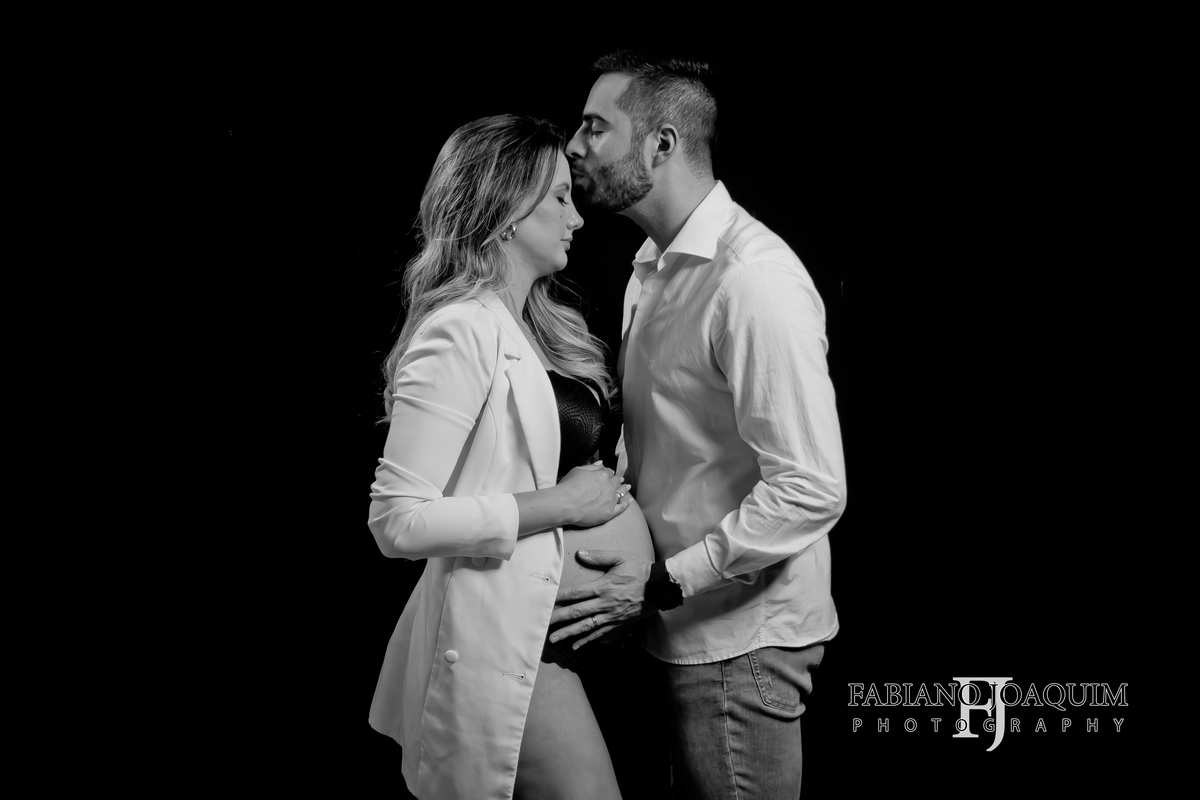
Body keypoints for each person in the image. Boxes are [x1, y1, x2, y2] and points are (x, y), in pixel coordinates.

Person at [550, 52, 848, 798]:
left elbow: (811, 488)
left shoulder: (750, 278)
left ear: (663, 143)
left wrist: (663, 583)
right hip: (680, 633)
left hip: (738, 645)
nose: (573, 147)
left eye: (594, 127)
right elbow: (666, 443)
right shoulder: (652, 267)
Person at [367, 113, 653, 800]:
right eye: (558, 197)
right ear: (506, 207)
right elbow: (397, 522)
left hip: (567, 630)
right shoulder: (458, 331)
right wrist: (561, 504)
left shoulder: (535, 328)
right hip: (506, 636)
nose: (576, 218)